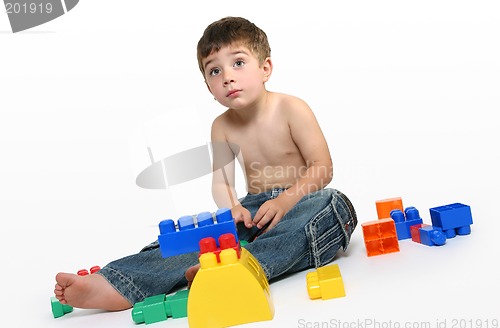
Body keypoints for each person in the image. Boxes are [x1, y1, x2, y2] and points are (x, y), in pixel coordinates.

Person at [53, 16, 357, 312]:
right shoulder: (222, 126)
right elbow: (222, 183)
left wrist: (287, 200)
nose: (227, 76)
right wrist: (234, 208)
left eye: (238, 63)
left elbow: (322, 167)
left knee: (332, 204)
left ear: (265, 68)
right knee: (204, 236)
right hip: (253, 211)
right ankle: (119, 283)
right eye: (214, 71)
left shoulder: (292, 108)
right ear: (209, 88)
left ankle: (237, 268)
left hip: (302, 202)